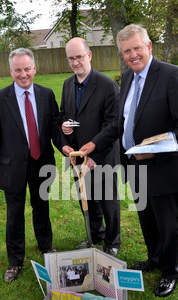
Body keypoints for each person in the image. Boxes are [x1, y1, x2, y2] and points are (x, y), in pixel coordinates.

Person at [81, 25, 178, 297]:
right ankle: (155, 259)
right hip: (135, 167)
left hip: (165, 167)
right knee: (147, 218)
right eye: (126, 51)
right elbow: (120, 124)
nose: (132, 55)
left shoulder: (172, 75)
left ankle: (170, 271)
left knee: (168, 223)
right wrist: (96, 143)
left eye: (136, 48)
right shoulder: (128, 78)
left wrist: (154, 151)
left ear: (149, 47)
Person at [0, 48, 66, 282]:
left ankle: (45, 246)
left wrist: (65, 141)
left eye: (27, 69)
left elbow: (53, 128)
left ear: (35, 68)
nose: (23, 74)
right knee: (15, 214)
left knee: (42, 207)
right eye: (18, 69)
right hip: (11, 167)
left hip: (41, 162)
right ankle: (15, 260)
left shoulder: (46, 94)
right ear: (11, 71)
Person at [60, 37, 121, 256]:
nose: (75, 62)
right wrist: (64, 125)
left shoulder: (107, 85)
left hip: (103, 156)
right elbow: (64, 115)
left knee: (108, 201)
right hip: (78, 157)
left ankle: (112, 242)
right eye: (71, 58)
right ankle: (95, 235)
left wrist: (95, 157)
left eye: (79, 57)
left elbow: (114, 124)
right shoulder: (68, 84)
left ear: (90, 55)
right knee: (87, 198)